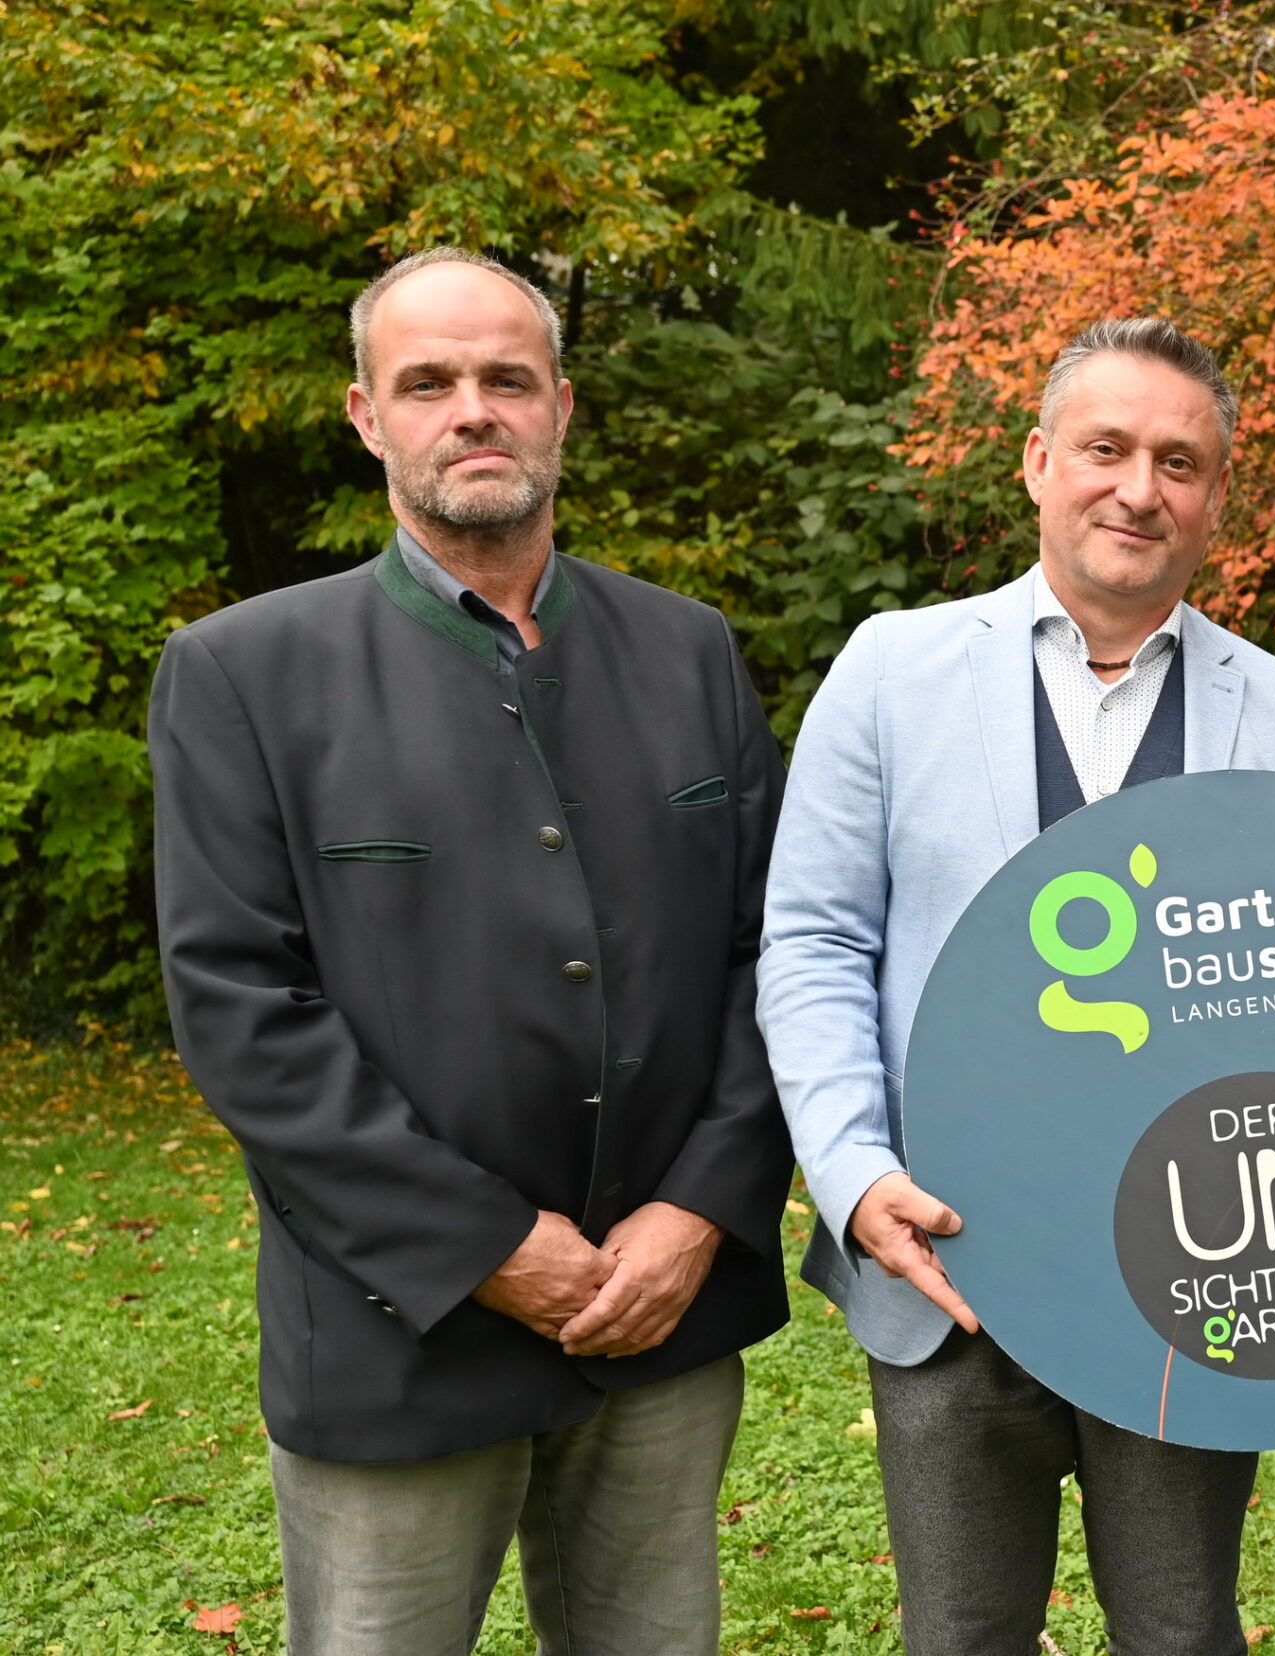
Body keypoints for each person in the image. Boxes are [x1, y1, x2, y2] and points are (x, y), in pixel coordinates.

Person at [149, 248, 792, 1655]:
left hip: (663, 1321)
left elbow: (775, 955)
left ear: (560, 404)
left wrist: (697, 1213)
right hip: (401, 1335)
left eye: (507, 378)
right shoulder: (244, 676)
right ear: (367, 416)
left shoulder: (690, 653)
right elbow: (244, 1010)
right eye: (427, 382)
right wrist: (493, 1249)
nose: (473, 410)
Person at [758, 318, 1275, 1656]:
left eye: (1180, 463)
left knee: (1184, 1630)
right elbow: (813, 940)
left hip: (1194, 1277)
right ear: (1037, 464)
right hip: (948, 1266)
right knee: (961, 1634)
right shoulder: (892, 671)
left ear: (1215, 500)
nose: (1140, 489)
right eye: (1107, 449)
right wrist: (850, 1176)